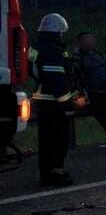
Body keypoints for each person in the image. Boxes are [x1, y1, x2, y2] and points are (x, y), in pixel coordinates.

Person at [30, 13, 82, 186]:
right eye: (61, 32)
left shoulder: (38, 47)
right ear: (57, 31)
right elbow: (56, 79)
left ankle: (48, 172)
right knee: (58, 139)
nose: (62, 35)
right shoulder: (52, 49)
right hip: (53, 102)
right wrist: (67, 101)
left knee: (47, 139)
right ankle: (55, 172)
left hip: (43, 100)